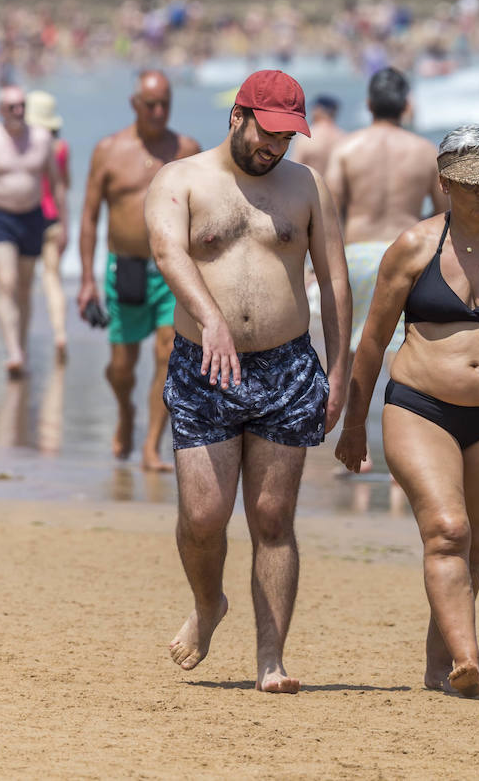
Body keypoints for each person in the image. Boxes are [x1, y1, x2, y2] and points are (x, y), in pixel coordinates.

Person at [145, 69, 350, 693]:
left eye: (289, 136)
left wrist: (339, 370)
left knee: (271, 516)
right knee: (204, 518)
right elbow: (168, 252)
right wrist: (211, 320)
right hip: (205, 366)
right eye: (269, 133)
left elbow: (335, 279)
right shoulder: (179, 178)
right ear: (238, 115)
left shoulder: (306, 185)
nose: (276, 147)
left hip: (286, 366)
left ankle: (271, 661)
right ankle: (209, 605)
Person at [335, 124, 479, 697]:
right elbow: (373, 341)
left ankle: (441, 664)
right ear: (445, 182)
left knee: (473, 539)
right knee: (447, 528)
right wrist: (353, 425)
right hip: (419, 408)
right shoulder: (412, 247)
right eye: (474, 184)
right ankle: (470, 656)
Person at [77, 70, 202, 470]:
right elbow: (89, 217)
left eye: (166, 103)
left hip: (173, 268)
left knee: (168, 354)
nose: (160, 111)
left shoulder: (187, 148)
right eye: (151, 104)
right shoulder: (109, 150)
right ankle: (125, 412)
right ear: (134, 104)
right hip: (125, 268)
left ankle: (151, 446)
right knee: (121, 367)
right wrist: (86, 279)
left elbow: (205, 212)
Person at [324, 67, 445, 356]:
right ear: (406, 106)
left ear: (368, 105)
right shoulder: (426, 151)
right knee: (402, 351)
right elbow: (445, 213)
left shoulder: (345, 149)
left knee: (347, 355)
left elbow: (327, 212)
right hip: (407, 255)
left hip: (357, 256)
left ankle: (345, 403)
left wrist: (317, 266)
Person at [0, 84, 64, 378]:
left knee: (26, 288)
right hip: (0, 217)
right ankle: (13, 351)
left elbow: (56, 183)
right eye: (12, 107)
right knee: (7, 282)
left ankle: (21, 346)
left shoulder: (40, 139)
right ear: (1, 110)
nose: (19, 111)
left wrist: (62, 223)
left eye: (22, 106)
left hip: (32, 216)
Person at [25, 91, 71, 362]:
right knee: (53, 280)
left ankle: (23, 340)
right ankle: (60, 335)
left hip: (28, 217)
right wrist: (66, 225)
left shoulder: (23, 146)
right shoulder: (61, 148)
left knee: (25, 283)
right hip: (54, 218)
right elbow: (64, 186)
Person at [289, 93, 344, 172]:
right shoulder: (344, 138)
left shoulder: (306, 137)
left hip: (312, 184)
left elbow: (293, 169)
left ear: (318, 110)